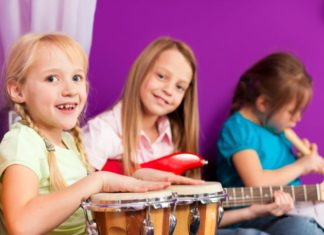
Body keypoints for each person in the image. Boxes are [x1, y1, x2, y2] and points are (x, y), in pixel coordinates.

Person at [0, 33, 174, 235]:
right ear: (17, 90)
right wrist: (96, 181)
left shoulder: (68, 142)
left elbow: (80, 202)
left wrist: (134, 179)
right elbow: (22, 225)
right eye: (52, 78)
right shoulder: (23, 141)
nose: (70, 89)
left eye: (76, 77)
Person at [216, 52, 324, 234]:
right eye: (292, 112)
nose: (297, 119)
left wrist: (298, 158)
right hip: (259, 216)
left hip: (291, 209)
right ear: (263, 104)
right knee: (305, 232)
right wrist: (302, 165)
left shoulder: (276, 128)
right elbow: (257, 183)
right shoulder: (238, 129)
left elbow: (279, 170)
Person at [82, 37, 200, 177]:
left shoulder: (176, 138)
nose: (169, 90)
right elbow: (76, 187)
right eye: (161, 76)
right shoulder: (102, 131)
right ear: (141, 71)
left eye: (179, 87)